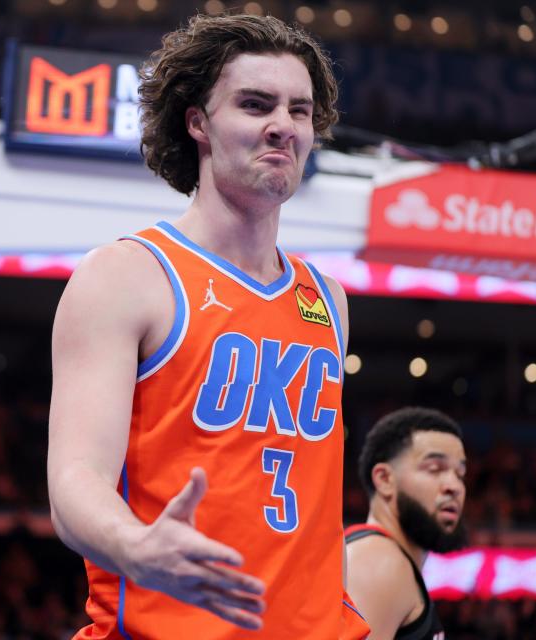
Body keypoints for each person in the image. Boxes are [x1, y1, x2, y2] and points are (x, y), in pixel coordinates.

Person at [47, 12, 369, 639]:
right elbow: (73, 480)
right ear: (197, 121)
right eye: (255, 104)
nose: (283, 125)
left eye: (299, 111)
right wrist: (133, 546)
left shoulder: (328, 301)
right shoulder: (125, 276)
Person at [345, 407, 468, 640]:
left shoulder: (389, 559)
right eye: (435, 469)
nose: (454, 486)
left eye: (460, 474)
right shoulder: (378, 562)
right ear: (384, 479)